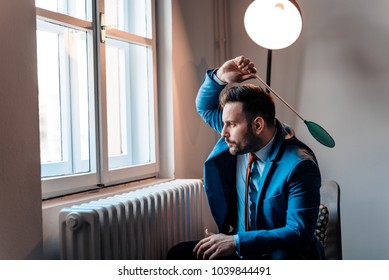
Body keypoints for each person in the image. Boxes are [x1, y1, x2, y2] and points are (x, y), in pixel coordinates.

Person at [167, 55, 324, 260]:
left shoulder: (300, 165)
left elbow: (298, 233)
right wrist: (222, 76)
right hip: (243, 249)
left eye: (230, 124)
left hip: (279, 253)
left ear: (257, 125)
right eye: (224, 123)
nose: (223, 132)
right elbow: (204, 107)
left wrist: (236, 242)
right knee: (180, 254)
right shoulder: (238, 138)